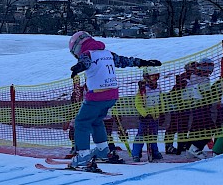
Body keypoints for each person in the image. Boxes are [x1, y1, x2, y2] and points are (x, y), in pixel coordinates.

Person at [68, 31, 161, 168]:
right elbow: (125, 61)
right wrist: (143, 62)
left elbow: (85, 62)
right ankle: (102, 151)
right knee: (96, 121)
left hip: (97, 95)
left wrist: (78, 67)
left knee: (81, 123)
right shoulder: (107, 53)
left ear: (77, 46)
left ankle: (82, 157)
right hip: (112, 95)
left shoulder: (88, 53)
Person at [185, 58, 216, 159]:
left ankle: (190, 149)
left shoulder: (195, 76)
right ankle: (195, 148)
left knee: (195, 128)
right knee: (209, 128)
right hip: (201, 107)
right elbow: (206, 94)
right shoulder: (201, 79)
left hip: (197, 107)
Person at [164, 61, 197, 155]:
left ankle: (180, 145)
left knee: (182, 126)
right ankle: (170, 146)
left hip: (184, 105)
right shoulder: (185, 79)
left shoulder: (190, 79)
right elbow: (175, 91)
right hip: (178, 106)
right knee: (175, 126)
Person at [132, 66, 164, 162]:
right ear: (147, 77)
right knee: (141, 135)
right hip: (145, 117)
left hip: (155, 115)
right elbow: (138, 103)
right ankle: (136, 154)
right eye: (152, 77)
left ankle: (155, 152)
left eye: (156, 77)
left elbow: (160, 100)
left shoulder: (158, 87)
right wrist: (145, 114)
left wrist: (162, 112)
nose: (155, 79)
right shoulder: (142, 89)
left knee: (153, 135)